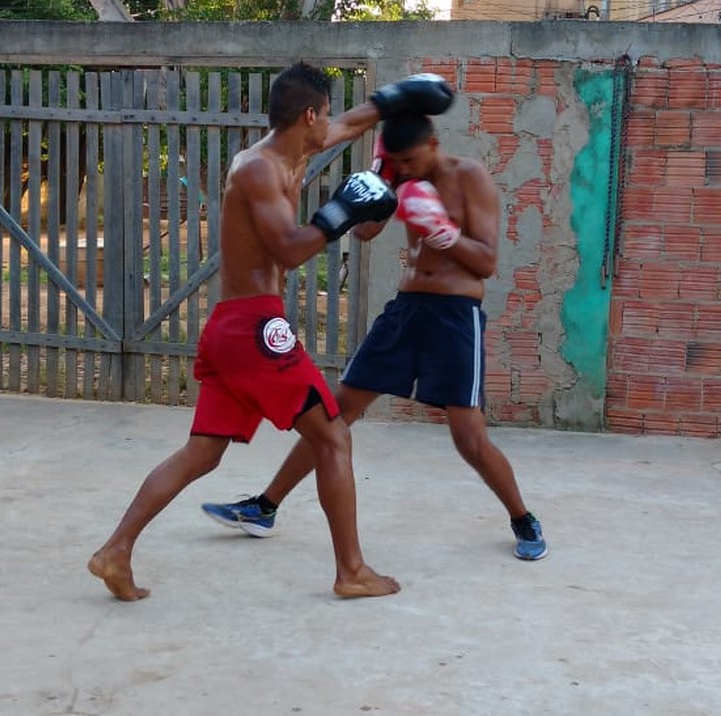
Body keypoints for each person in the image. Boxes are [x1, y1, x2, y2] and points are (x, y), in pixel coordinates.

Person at [88, 64, 455, 601]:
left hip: (233, 327)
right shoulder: (258, 170)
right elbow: (289, 249)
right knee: (333, 436)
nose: (330, 125)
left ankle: (114, 551)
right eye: (324, 114)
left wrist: (398, 97)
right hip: (255, 328)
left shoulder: (295, 147)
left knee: (202, 452)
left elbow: (352, 123)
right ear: (309, 115)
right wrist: (343, 212)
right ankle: (351, 570)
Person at [202, 112, 548, 561]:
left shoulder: (471, 178)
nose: (403, 168)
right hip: (406, 311)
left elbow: (485, 262)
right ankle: (265, 507)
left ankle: (523, 518)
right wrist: (380, 180)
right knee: (335, 413)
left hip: (455, 316)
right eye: (396, 162)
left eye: (407, 160)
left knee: (469, 436)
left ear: (433, 143)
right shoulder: (401, 175)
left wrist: (442, 232)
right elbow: (365, 232)